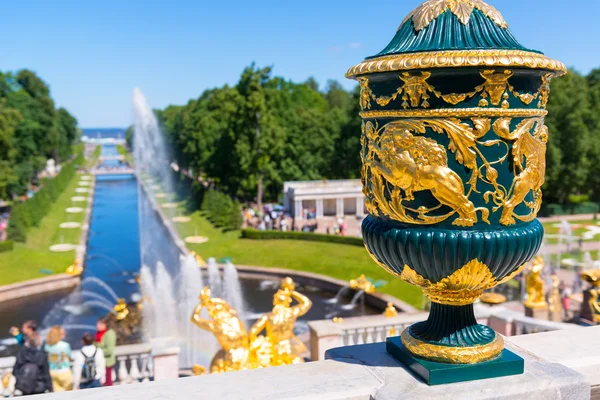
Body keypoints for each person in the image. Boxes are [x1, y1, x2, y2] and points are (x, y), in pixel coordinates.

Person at [44, 326, 73, 392]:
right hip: (64, 371)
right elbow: (69, 357)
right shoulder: (65, 345)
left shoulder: (46, 346)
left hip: (52, 372)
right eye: (62, 333)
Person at [95, 318, 116, 386]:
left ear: (105, 325)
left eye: (99, 324)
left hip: (107, 362)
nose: (97, 326)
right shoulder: (99, 334)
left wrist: (97, 351)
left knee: (107, 383)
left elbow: (109, 350)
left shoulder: (109, 334)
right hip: (100, 362)